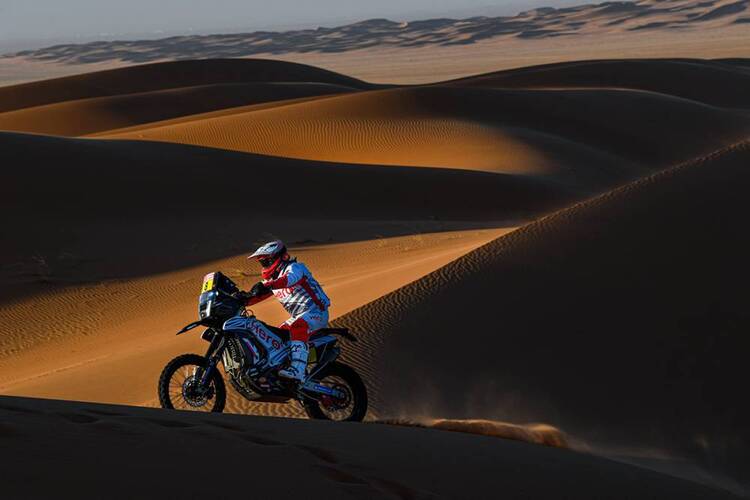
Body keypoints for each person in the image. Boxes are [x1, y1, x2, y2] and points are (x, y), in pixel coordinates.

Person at [239, 240, 330, 382]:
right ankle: (281, 372)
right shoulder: (272, 280)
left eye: (266, 261)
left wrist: (269, 285)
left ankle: (298, 370)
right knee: (276, 338)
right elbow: (257, 296)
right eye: (262, 263)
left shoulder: (295, 268)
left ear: (279, 257)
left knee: (297, 326)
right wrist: (240, 299)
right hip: (299, 316)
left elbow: (290, 280)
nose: (265, 265)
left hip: (316, 312)